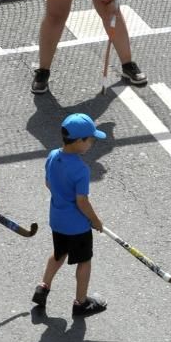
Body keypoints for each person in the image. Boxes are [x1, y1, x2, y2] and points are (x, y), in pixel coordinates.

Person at [31, 113, 109, 317]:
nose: (92, 143)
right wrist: (95, 220)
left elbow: (48, 183)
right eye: (90, 139)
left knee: (59, 253)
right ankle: (81, 302)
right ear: (79, 141)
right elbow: (82, 201)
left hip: (57, 220)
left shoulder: (53, 156)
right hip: (77, 226)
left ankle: (43, 286)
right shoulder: (81, 169)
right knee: (84, 261)